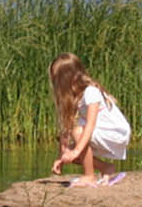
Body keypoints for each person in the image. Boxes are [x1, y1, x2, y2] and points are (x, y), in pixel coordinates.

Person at [48, 53, 130, 188]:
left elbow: (90, 125)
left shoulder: (90, 92)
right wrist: (62, 155)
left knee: (78, 132)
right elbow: (65, 129)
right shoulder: (72, 99)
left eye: (57, 80)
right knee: (71, 148)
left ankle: (89, 176)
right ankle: (106, 168)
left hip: (116, 133)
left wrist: (76, 151)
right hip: (99, 132)